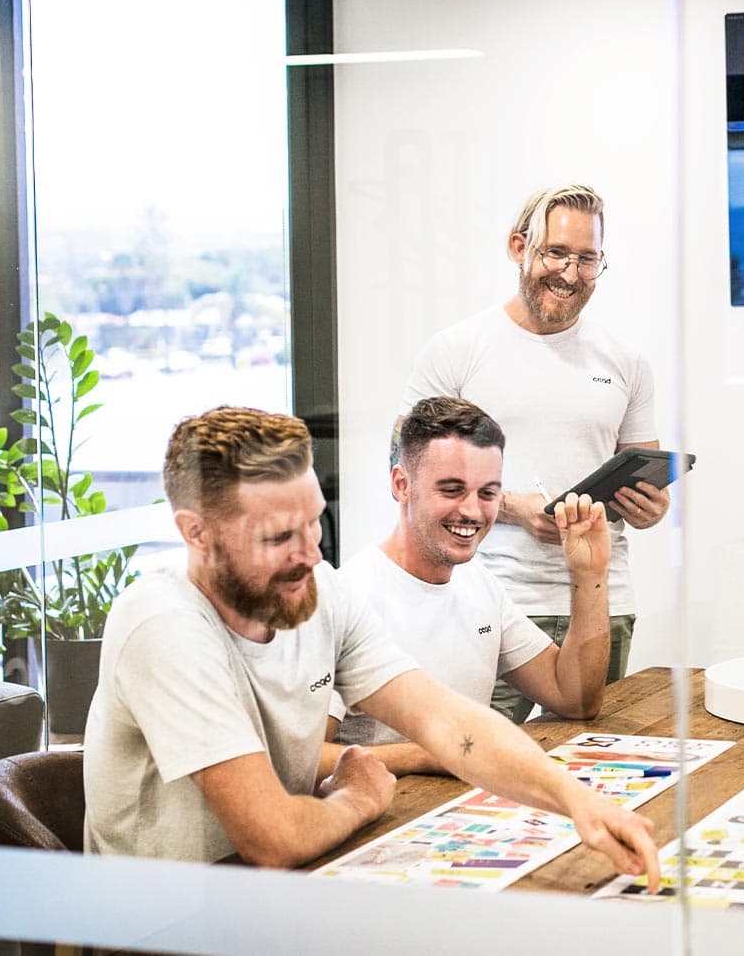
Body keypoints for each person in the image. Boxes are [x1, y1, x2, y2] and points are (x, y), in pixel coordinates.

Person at [82, 405, 659, 888]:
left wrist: (576, 799)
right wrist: (360, 797)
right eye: (280, 537)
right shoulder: (164, 621)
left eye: (314, 525)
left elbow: (445, 723)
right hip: (163, 922)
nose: (310, 554)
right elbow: (273, 839)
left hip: (280, 892)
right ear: (196, 534)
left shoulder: (320, 590)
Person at [401, 184, 669, 723]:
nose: (570, 274)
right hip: (487, 599)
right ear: (519, 247)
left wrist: (651, 507)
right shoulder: (459, 350)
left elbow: (646, 471)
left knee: (594, 765)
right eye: (556, 253)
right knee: (473, 764)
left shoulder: (625, 360)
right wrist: (515, 507)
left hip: (600, 601)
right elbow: (410, 477)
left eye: (587, 258)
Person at [321, 397, 613, 777]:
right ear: (401, 484)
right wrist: (432, 754)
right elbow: (303, 762)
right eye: (452, 489)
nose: (473, 512)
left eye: (488, 493)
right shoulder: (348, 597)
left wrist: (590, 573)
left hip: (459, 812)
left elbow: (574, 697)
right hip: (380, 821)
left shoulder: (478, 581)